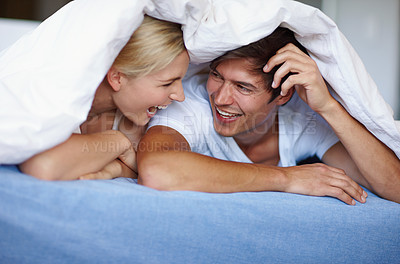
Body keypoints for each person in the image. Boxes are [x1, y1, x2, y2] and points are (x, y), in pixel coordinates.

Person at [137, 27, 400, 205]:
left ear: (283, 95)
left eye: (243, 87)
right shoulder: (192, 102)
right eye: (216, 75)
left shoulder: (301, 118)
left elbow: (395, 187)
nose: (219, 98)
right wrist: (286, 178)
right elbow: (157, 171)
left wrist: (329, 107)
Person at [19, 15, 189, 181]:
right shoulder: (59, 93)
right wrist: (118, 142)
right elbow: (43, 165)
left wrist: (116, 168)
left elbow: (142, 169)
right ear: (117, 78)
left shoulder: (132, 115)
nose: (181, 96)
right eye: (167, 84)